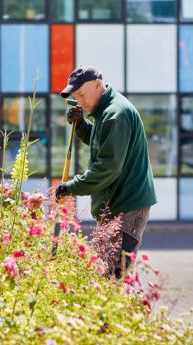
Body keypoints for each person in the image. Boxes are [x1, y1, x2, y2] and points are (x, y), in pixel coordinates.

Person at [55, 65, 157, 278]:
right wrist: (82, 125)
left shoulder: (115, 115)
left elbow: (107, 168)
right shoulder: (107, 111)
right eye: (76, 97)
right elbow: (104, 143)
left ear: (98, 85)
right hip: (117, 206)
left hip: (127, 208)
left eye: (82, 95)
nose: (80, 102)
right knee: (103, 280)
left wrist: (71, 187)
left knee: (109, 279)